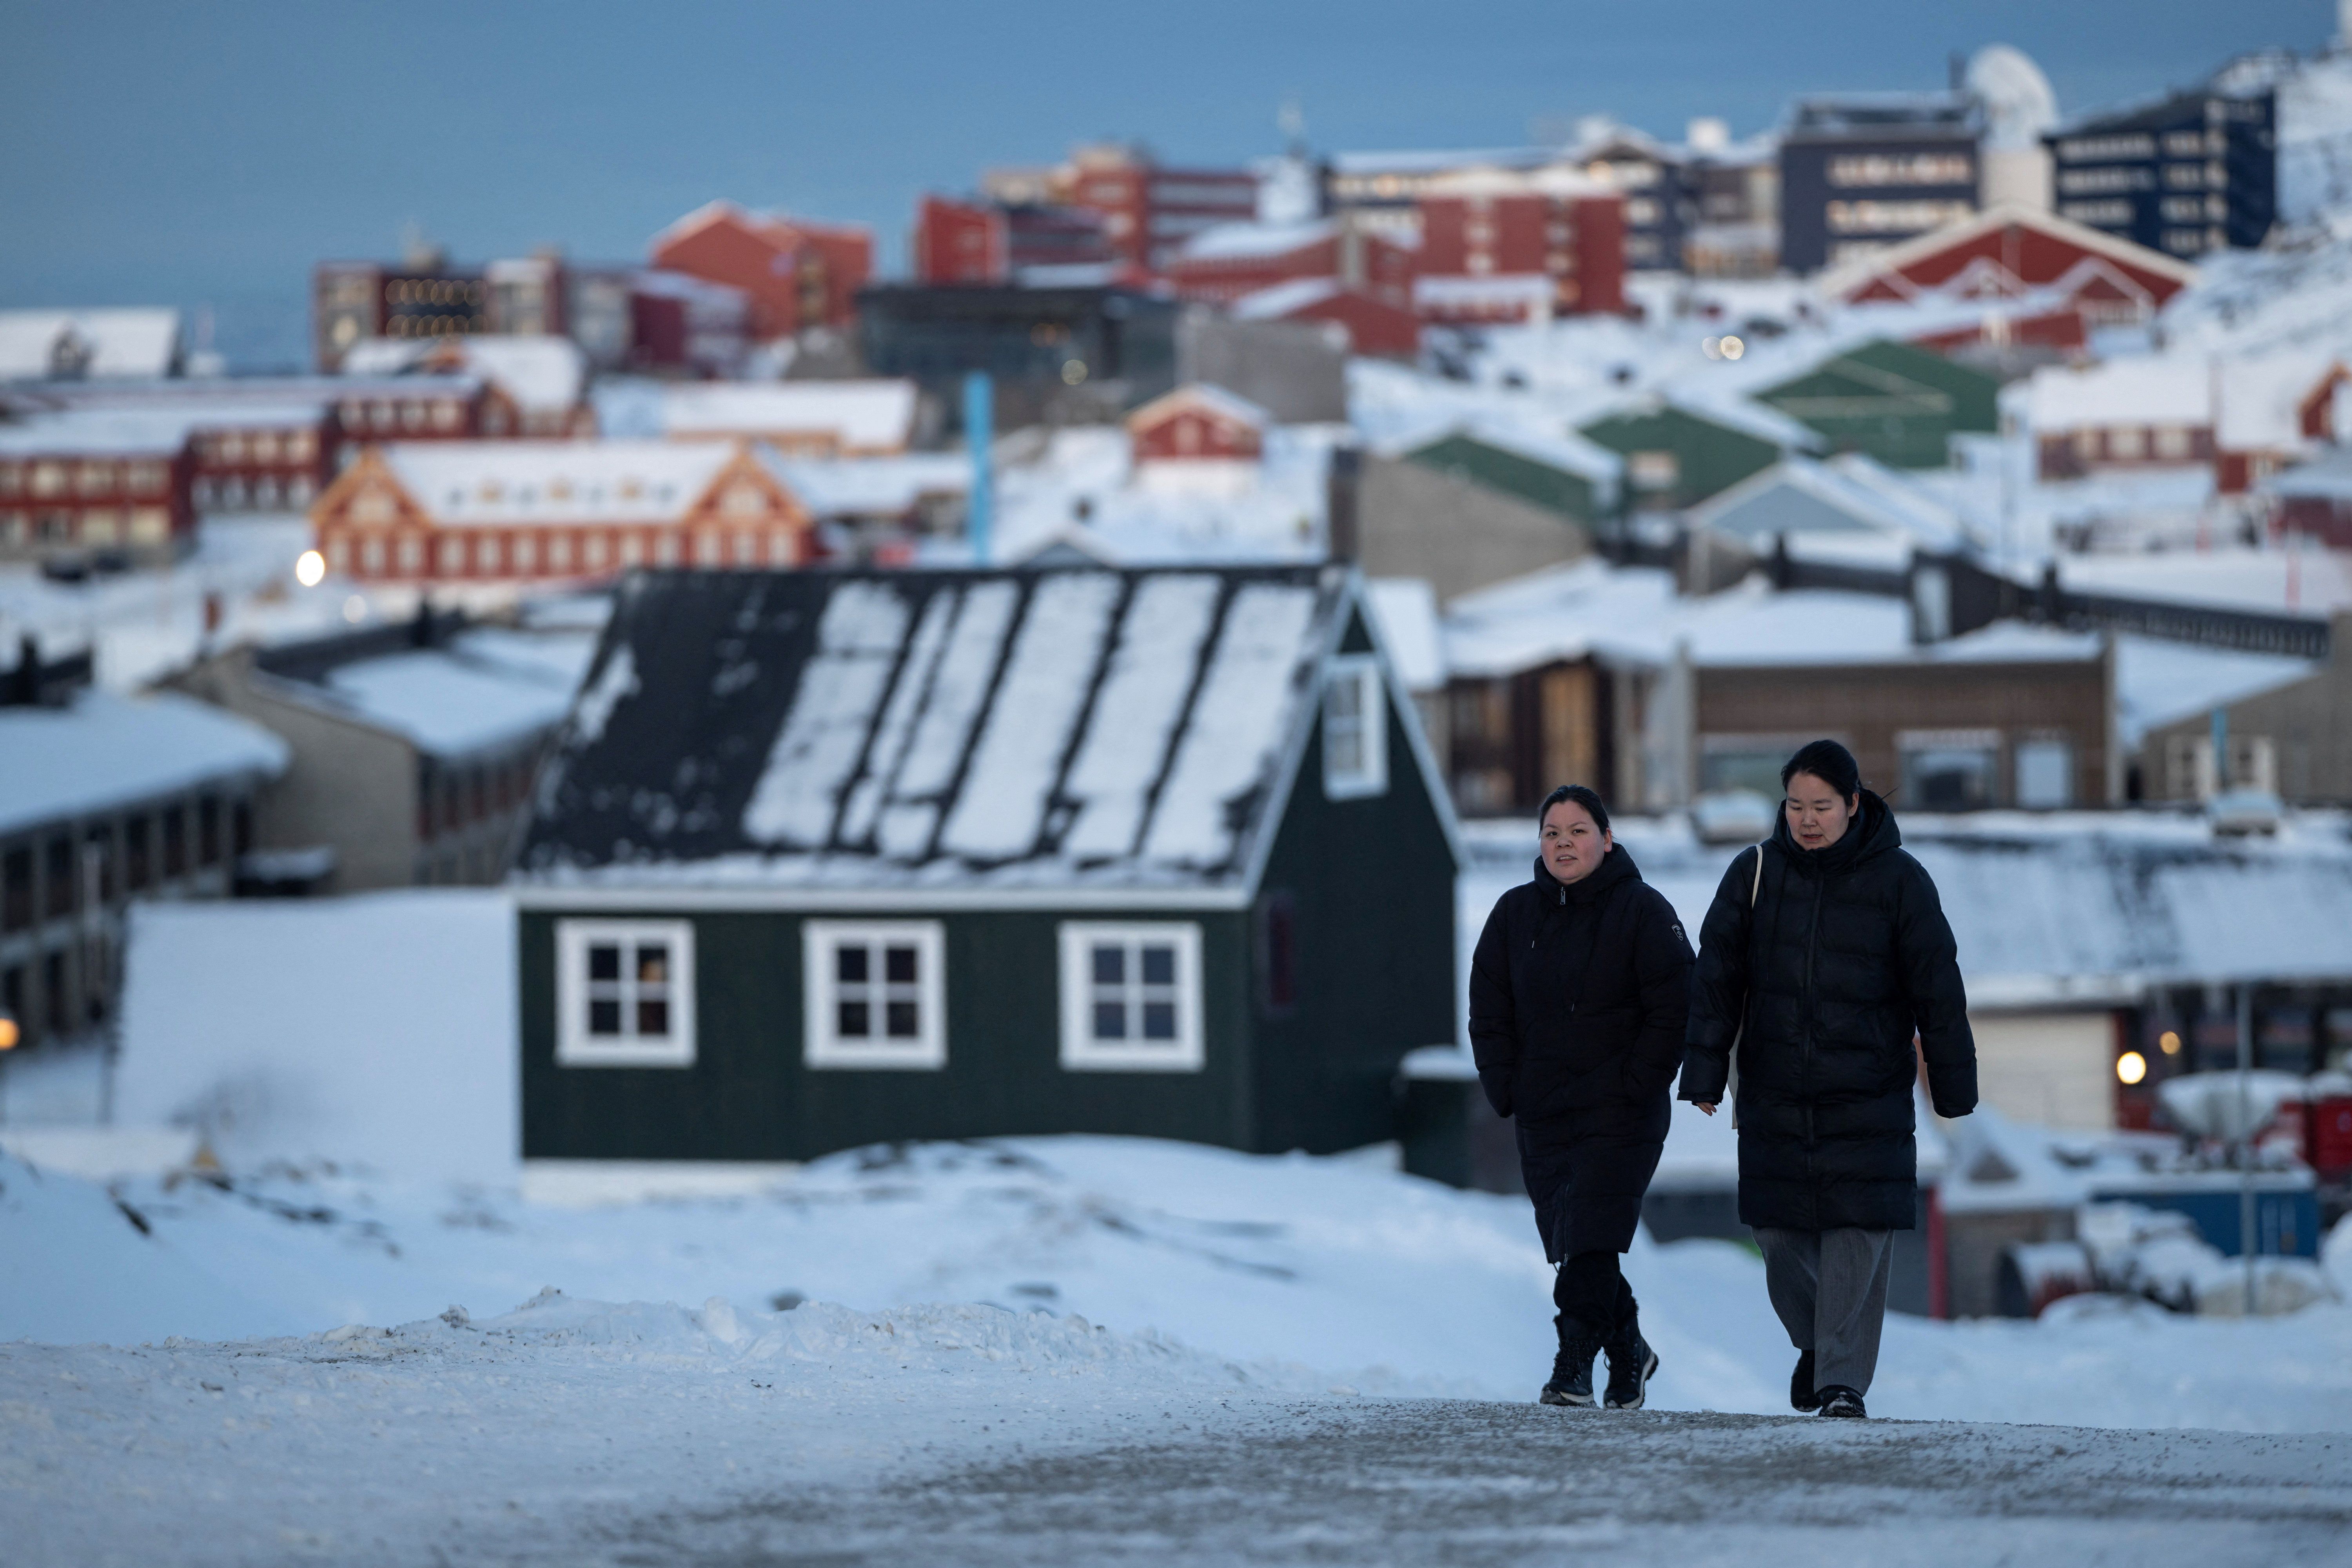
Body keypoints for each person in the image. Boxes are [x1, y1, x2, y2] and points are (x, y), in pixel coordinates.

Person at [1678, 740, 1976, 1420]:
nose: (1807, 819)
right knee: (1778, 1236)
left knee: (1856, 1234)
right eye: (1795, 806)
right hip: (1774, 1091)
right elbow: (1716, 983)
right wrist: (1704, 1073)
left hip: (1867, 1091)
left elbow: (1938, 988)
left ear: (1852, 804)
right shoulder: (1752, 874)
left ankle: (1843, 1383)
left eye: (1821, 806)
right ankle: (1818, 1346)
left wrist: (1953, 1085)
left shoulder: (1901, 881)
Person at [1470, 784, 1693, 1409]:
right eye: (1551, 833)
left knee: (1591, 1233)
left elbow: (1676, 1007)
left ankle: (1571, 1367)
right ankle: (1630, 1350)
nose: (1564, 843)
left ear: (1607, 839)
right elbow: (1488, 1008)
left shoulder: (1645, 911)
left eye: (1577, 831)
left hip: (1622, 1112)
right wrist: (1506, 1084)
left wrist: (1637, 1082)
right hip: (1544, 1111)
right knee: (1577, 1239)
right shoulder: (1514, 914)